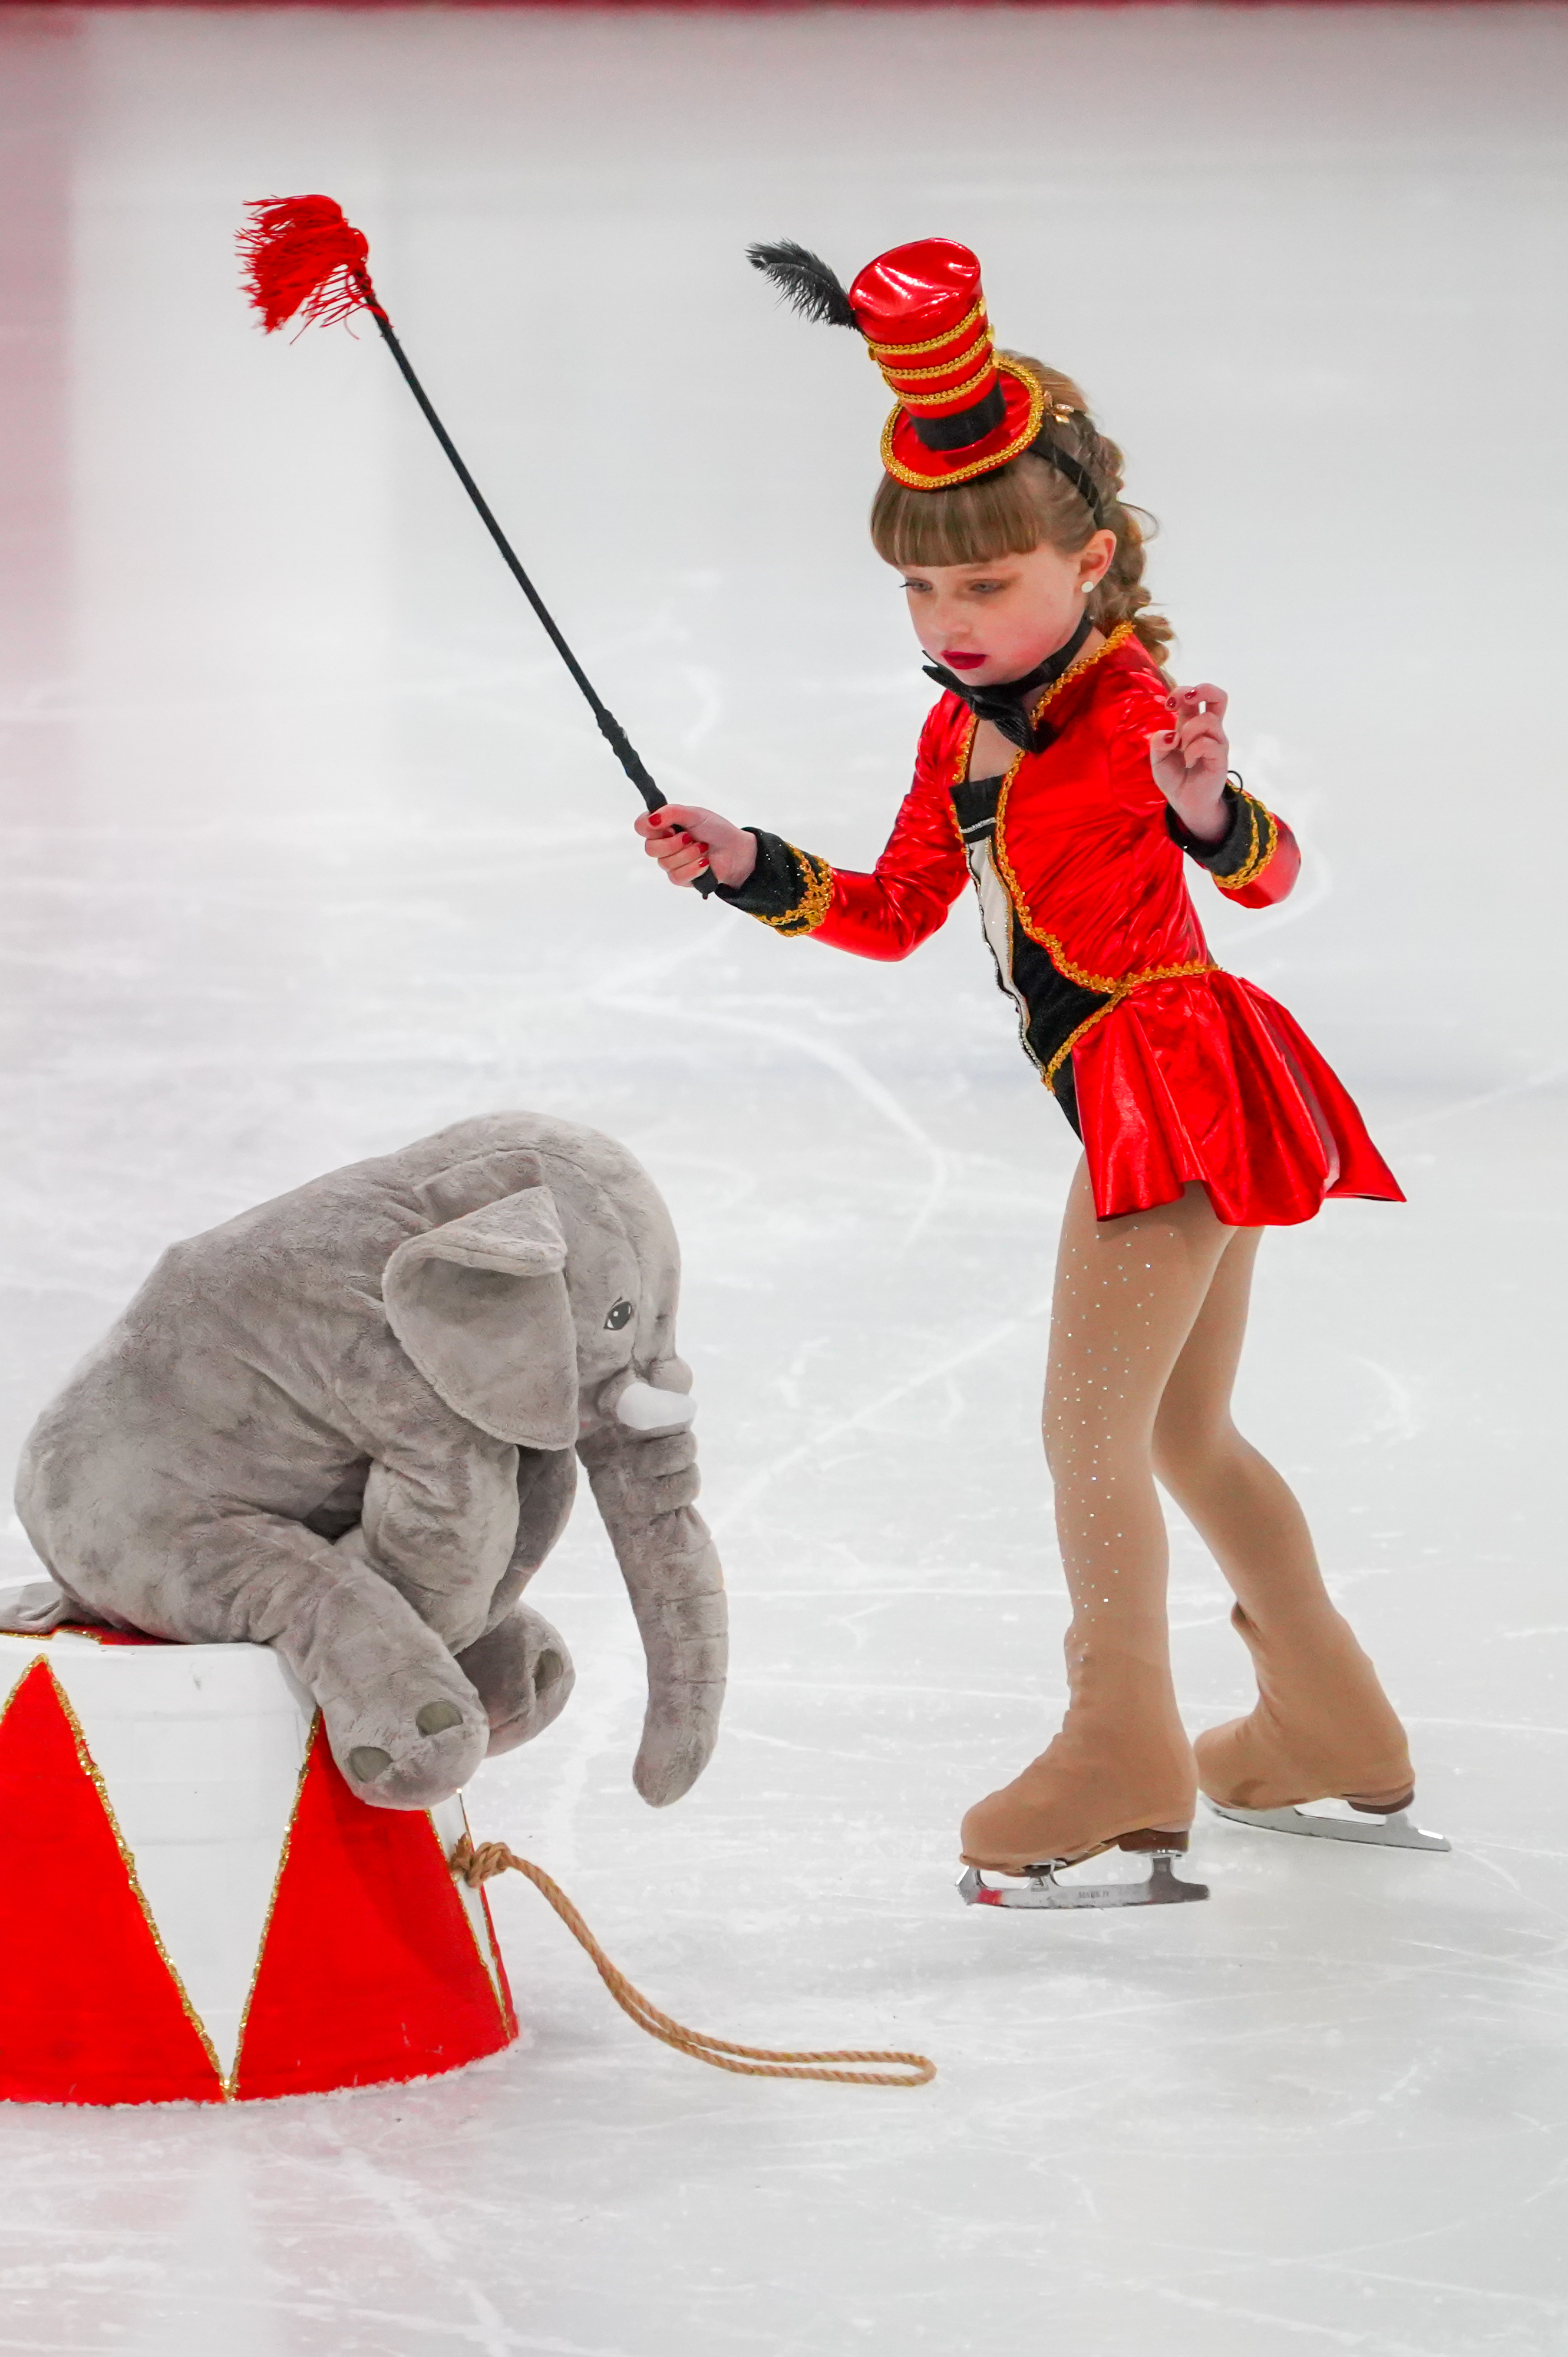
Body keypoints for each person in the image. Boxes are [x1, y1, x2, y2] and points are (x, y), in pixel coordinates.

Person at [635, 236, 1427, 1907]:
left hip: (1168, 1076)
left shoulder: (1133, 707)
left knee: (1088, 1436)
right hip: (1165, 1082)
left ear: (1093, 559)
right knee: (1186, 1433)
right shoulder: (958, 727)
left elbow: (1271, 874)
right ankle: (1328, 1721)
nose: (953, 623)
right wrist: (744, 861)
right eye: (924, 594)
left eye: (988, 587)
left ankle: (1120, 1750)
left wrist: (1208, 806)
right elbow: (895, 910)